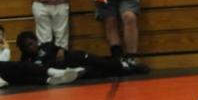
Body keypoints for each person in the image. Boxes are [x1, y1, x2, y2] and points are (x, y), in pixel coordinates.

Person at [15, 30, 147, 78]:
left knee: (99, 62)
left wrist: (61, 50)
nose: (31, 48)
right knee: (98, 72)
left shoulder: (46, 46)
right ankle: (126, 70)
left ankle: (123, 64)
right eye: (27, 47)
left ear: (36, 41)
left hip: (74, 57)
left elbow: (60, 49)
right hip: (71, 69)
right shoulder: (27, 59)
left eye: (31, 44)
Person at [0, 25, 79, 88]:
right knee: (23, 66)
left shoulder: (46, 47)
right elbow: (2, 64)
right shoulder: (13, 52)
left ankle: (49, 80)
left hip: (6, 78)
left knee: (23, 74)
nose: (0, 38)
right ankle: (55, 72)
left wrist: (61, 49)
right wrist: (7, 50)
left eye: (1, 35)